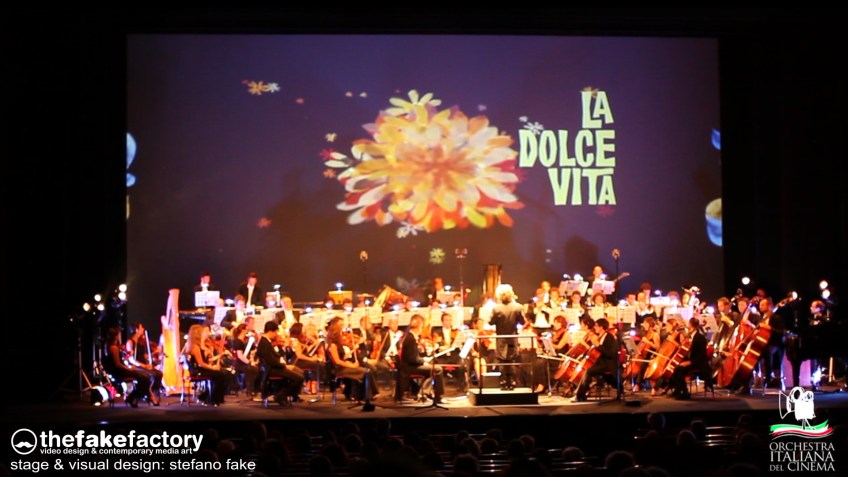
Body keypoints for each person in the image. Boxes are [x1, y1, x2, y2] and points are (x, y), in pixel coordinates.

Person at [398, 314, 445, 402]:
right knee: (438, 370)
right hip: (409, 367)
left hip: (409, 365)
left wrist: (422, 357)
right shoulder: (411, 338)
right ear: (419, 325)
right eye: (422, 325)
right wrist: (424, 360)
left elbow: (413, 356)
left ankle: (424, 393)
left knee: (432, 370)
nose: (422, 328)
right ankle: (437, 396)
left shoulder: (410, 336)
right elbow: (412, 359)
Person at [255, 321, 304, 406]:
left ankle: (284, 395)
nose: (276, 334)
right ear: (271, 331)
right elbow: (271, 361)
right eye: (276, 332)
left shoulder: (266, 341)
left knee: (299, 373)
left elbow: (275, 357)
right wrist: (285, 366)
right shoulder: (264, 343)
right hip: (271, 369)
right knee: (299, 378)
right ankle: (281, 395)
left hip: (274, 367)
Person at [103, 327, 154, 407]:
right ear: (116, 336)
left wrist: (126, 356)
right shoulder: (113, 348)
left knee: (145, 376)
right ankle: (133, 396)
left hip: (120, 371)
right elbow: (117, 364)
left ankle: (136, 396)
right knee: (144, 377)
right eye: (118, 335)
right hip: (119, 373)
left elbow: (120, 360)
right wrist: (129, 368)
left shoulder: (113, 347)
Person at [572, 318, 619, 402]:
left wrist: (597, 345)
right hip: (601, 362)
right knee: (586, 369)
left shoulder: (609, 337)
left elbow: (610, 353)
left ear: (601, 327)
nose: (595, 327)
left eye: (596, 326)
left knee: (588, 371)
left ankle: (580, 395)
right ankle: (582, 392)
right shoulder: (601, 337)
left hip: (608, 364)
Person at [182, 324, 230, 406]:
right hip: (197, 371)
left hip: (202, 369)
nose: (206, 333)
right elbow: (200, 363)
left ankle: (207, 397)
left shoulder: (200, 345)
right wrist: (213, 368)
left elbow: (206, 360)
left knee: (225, 374)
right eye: (203, 332)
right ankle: (211, 398)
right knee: (220, 375)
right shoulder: (195, 347)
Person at [669, 317, 711, 399]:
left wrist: (690, 362)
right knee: (675, 367)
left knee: (679, 369)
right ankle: (678, 390)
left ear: (691, 326)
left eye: (688, 324)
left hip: (699, 364)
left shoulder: (699, 338)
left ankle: (685, 392)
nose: (687, 326)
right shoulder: (692, 336)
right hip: (694, 361)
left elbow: (701, 355)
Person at [491, 284, 523, 390]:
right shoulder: (518, 307)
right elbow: (522, 322)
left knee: (502, 360)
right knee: (512, 360)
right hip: (512, 337)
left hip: (501, 338)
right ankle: (512, 382)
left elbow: (491, 322)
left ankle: (503, 382)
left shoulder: (496, 308)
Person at [124, 323, 163, 403]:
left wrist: (154, 353)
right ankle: (149, 394)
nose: (143, 329)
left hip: (143, 365)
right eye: (141, 328)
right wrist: (144, 366)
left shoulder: (140, 342)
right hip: (136, 366)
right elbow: (131, 359)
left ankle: (150, 392)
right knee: (152, 374)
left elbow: (144, 356)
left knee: (159, 373)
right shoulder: (130, 342)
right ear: (136, 330)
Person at [229, 323, 260, 400]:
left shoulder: (244, 341)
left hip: (244, 362)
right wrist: (249, 362)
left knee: (257, 369)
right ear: (242, 330)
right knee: (252, 370)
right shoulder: (237, 341)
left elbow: (252, 350)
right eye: (246, 329)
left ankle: (252, 390)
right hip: (239, 364)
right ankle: (249, 391)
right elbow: (240, 356)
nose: (248, 331)